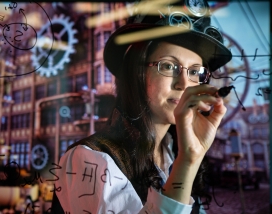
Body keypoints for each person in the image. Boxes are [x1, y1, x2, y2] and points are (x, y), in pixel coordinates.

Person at [51, 0, 232, 213]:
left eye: (195, 72)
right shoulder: (89, 160)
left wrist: (190, 156)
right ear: (136, 73)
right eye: (168, 66)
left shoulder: (173, 153)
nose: (183, 84)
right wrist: (187, 162)